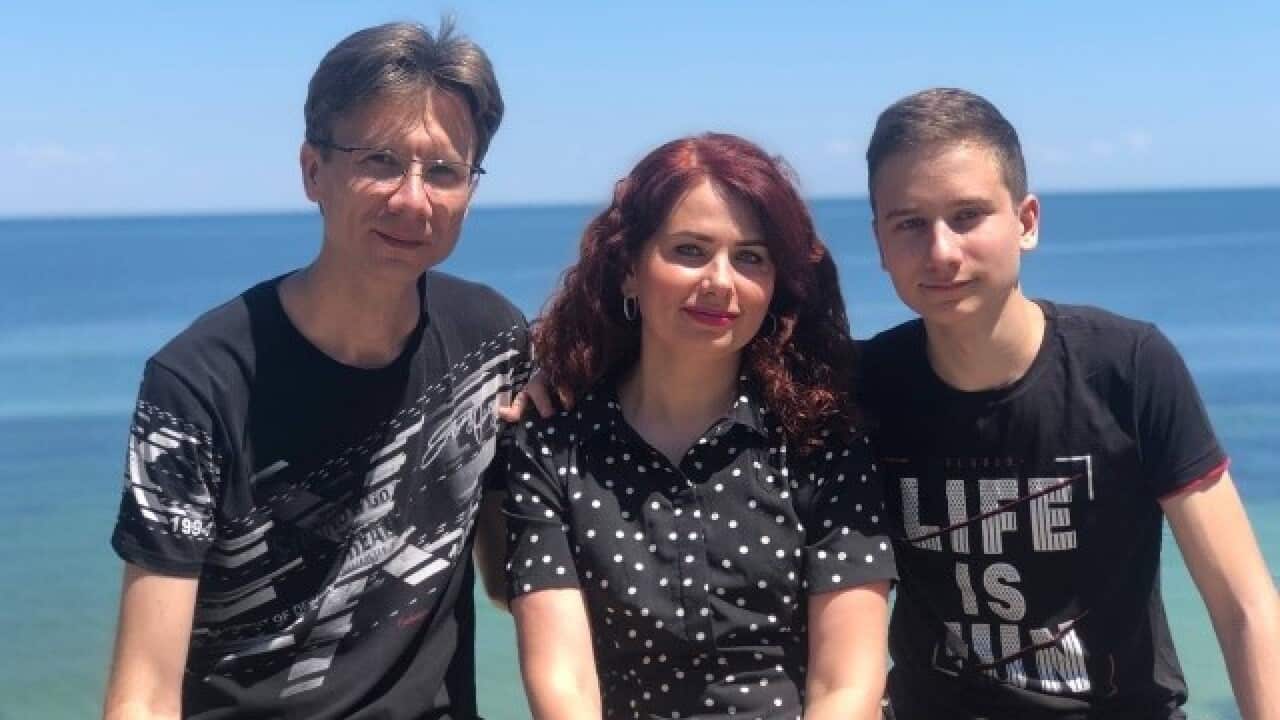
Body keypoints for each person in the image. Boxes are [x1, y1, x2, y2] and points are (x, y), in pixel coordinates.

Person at [103, 20, 527, 719]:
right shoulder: (199, 384)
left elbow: (511, 580)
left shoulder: (492, 343)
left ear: (470, 190)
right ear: (313, 171)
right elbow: (145, 688)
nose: (413, 199)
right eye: (381, 161)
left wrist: (563, 431)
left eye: (444, 171)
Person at [859, 88, 1280, 719]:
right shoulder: (866, 385)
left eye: (968, 215)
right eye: (910, 223)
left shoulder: (1128, 367)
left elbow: (1242, 602)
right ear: (880, 243)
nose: (942, 251)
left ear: (1026, 222)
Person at [501, 133, 896, 720]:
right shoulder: (553, 451)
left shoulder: (822, 442)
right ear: (629, 270)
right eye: (689, 250)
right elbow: (565, 686)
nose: (720, 281)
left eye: (750, 258)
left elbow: (846, 687)